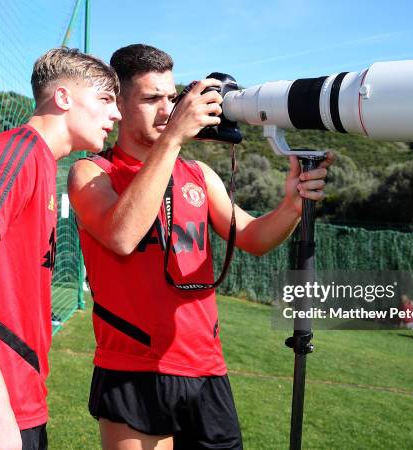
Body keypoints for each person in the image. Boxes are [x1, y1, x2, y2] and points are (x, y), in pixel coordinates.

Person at [67, 43, 334, 450]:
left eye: (171, 98)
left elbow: (254, 238)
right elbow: (121, 237)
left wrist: (292, 203)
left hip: (207, 368)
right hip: (134, 368)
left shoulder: (198, 174)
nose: (166, 109)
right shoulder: (93, 172)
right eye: (151, 98)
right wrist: (172, 140)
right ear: (118, 104)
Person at [0, 47, 121, 450]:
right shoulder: (15, 154)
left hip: (16, 402)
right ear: (63, 98)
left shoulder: (42, 163)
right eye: (105, 99)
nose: (115, 114)